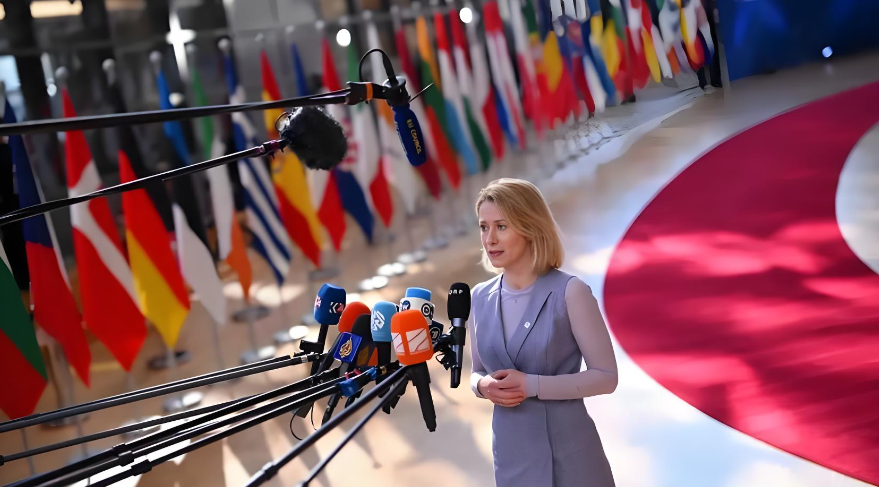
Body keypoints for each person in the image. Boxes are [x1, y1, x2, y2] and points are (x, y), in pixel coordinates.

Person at [468, 178, 618, 487]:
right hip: (512, 457)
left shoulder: (571, 292)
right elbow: (477, 371)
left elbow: (606, 377)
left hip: (572, 459)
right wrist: (482, 386)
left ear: (529, 227)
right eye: (484, 227)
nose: (490, 239)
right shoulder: (478, 298)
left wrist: (532, 385)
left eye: (501, 226)